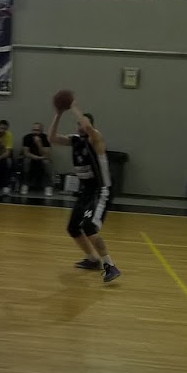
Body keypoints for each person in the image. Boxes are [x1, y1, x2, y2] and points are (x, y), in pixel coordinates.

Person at [50, 96, 120, 283]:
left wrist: (74, 106)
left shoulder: (96, 139)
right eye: (78, 124)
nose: (80, 126)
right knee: (73, 227)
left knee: (89, 227)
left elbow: (88, 128)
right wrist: (58, 114)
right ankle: (92, 259)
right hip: (86, 191)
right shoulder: (74, 140)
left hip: (101, 190)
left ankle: (110, 265)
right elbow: (52, 138)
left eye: (83, 123)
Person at [22, 122, 52, 196]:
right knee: (26, 162)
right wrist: (37, 157)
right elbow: (26, 153)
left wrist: (39, 144)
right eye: (34, 130)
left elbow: (46, 154)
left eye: (38, 130)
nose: (35, 132)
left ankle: (48, 186)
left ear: (41, 131)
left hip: (42, 157)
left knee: (47, 163)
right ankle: (25, 185)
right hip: (31, 157)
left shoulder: (46, 138)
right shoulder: (27, 137)